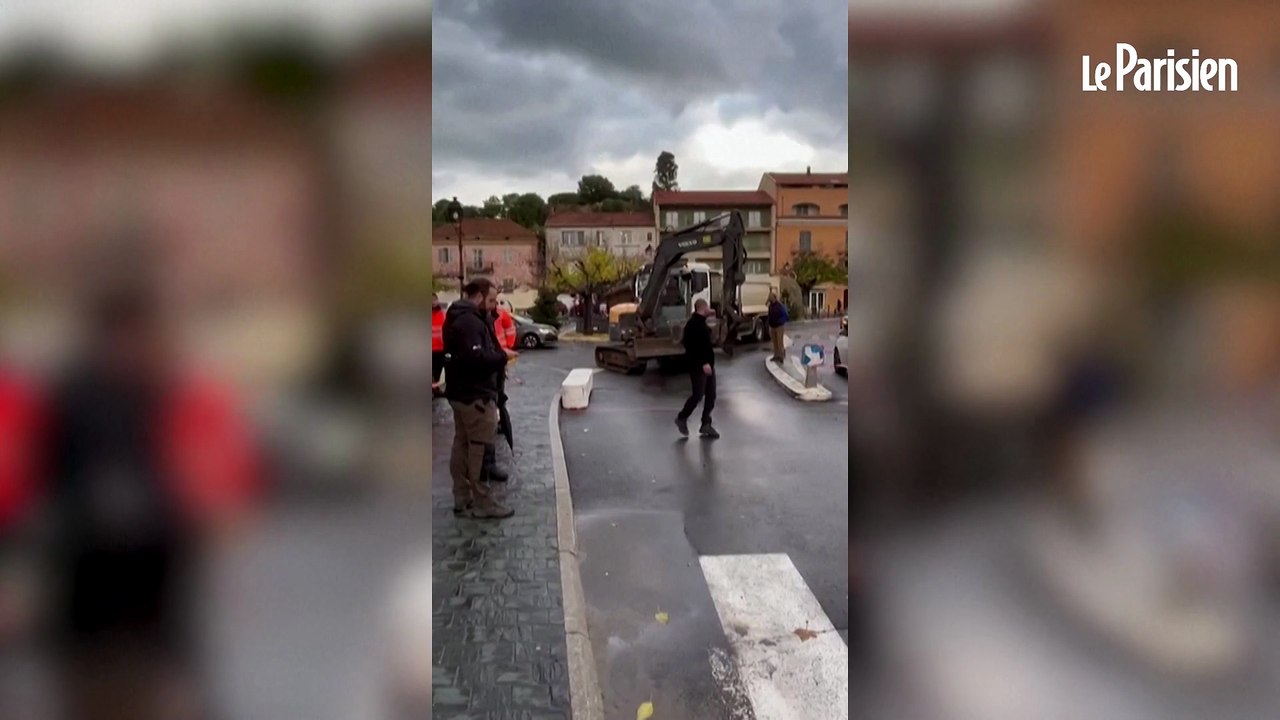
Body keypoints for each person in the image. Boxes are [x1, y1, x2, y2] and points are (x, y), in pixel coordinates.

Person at [44, 280, 261, 720]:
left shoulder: (165, 393)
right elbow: (52, 479)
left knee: (163, 683)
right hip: (90, 590)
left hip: (156, 589)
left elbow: (203, 468)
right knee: (98, 688)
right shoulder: (75, 396)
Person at [443, 278, 517, 519]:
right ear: (479, 297)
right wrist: (502, 357)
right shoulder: (469, 322)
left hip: (461, 394)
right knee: (480, 449)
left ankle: (462, 498)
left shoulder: (457, 316)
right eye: (492, 300)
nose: (494, 305)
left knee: (462, 444)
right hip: (475, 395)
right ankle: (483, 503)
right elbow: (476, 360)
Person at [676, 299, 719, 439]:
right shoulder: (693, 325)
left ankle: (706, 423)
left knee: (711, 394)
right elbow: (691, 348)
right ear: (702, 308)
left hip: (709, 365)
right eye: (707, 307)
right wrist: (703, 363)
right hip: (698, 367)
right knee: (698, 395)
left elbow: (706, 344)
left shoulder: (702, 322)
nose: (709, 309)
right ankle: (682, 418)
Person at [767, 290, 789, 364]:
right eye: (769, 297)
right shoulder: (770, 306)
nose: (769, 298)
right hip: (772, 326)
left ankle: (781, 356)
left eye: (770, 297)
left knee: (780, 342)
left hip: (779, 326)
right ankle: (776, 355)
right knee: (774, 342)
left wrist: (780, 321)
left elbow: (785, 315)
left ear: (774, 298)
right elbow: (769, 315)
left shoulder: (779, 306)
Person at [431, 293, 446, 397]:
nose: (432, 302)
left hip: (440, 348)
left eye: (434, 300)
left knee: (437, 371)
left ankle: (435, 389)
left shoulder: (443, 314)